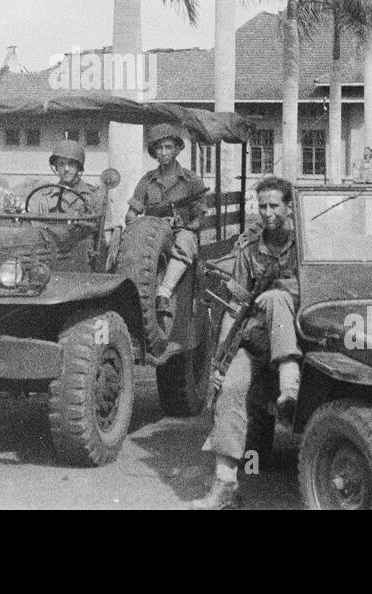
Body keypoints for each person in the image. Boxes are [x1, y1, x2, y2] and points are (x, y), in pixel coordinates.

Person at [192, 175, 300, 510]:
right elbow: (235, 303)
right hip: (255, 337)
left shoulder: (305, 243)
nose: (268, 213)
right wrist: (221, 358)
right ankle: (226, 487)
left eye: (274, 205)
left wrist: (279, 292)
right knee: (230, 393)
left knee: (275, 299)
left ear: (289, 207)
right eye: (262, 206)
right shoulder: (249, 246)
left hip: (302, 334)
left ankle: (289, 386)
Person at [124, 124, 207, 343]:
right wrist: (146, 222)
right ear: (153, 152)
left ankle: (164, 292)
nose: (163, 152)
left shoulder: (191, 181)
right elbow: (132, 214)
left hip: (180, 233)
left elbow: (199, 218)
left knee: (187, 240)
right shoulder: (147, 181)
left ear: (178, 149)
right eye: (158, 148)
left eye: (168, 147)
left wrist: (182, 222)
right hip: (153, 236)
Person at [28, 139, 102, 216]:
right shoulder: (47, 199)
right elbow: (40, 226)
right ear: (56, 168)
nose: (66, 169)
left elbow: (105, 226)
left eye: (71, 164)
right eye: (61, 164)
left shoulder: (94, 197)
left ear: (78, 167)